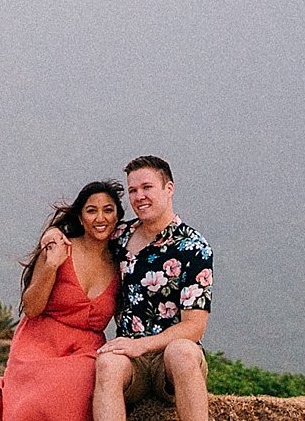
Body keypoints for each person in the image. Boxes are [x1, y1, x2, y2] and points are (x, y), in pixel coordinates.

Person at [0, 182, 125, 421]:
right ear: (80, 217)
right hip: (38, 343)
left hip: (85, 350)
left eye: (108, 210)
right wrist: (51, 265)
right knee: (35, 402)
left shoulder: (122, 262)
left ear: (118, 216)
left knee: (72, 387)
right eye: (91, 210)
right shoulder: (59, 247)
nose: (100, 217)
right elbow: (31, 307)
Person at [93, 156, 211, 421]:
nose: (139, 197)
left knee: (182, 352)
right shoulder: (119, 236)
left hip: (170, 362)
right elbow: (81, 231)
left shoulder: (194, 247)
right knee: (108, 364)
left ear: (169, 188)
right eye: (133, 190)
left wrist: (143, 346)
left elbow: (194, 326)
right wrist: (52, 235)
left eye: (147, 187)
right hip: (130, 362)